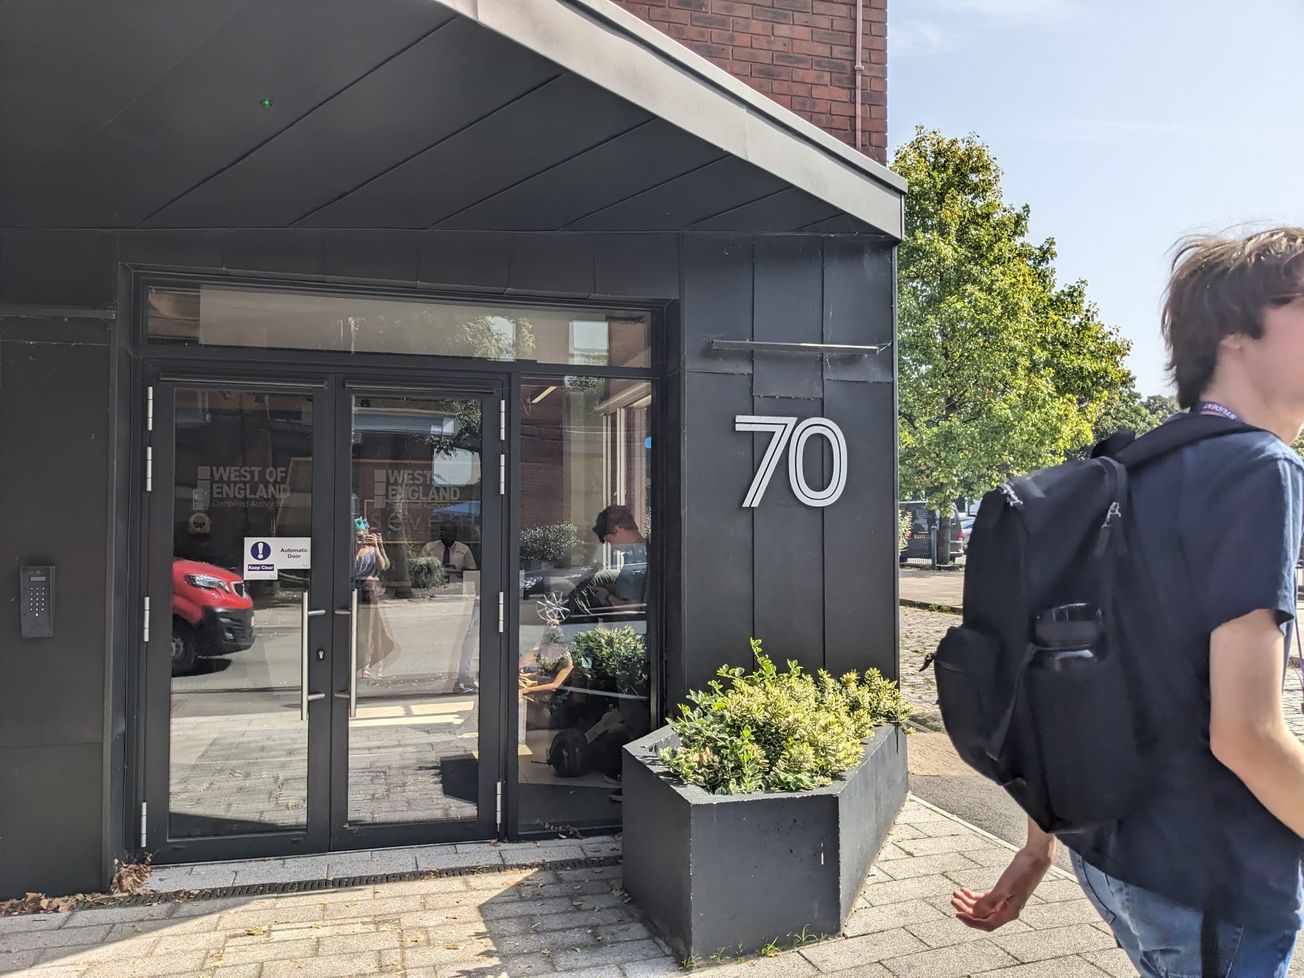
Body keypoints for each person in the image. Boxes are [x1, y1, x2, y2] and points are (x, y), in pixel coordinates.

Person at [953, 227, 1304, 977]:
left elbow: (1065, 668)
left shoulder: (1129, 468)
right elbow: (1246, 737)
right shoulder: (1260, 469)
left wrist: (1036, 848)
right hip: (1213, 884)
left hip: (1115, 862)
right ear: (1236, 332)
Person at [423, 523, 480, 692]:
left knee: (461, 636)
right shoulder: (430, 548)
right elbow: (420, 570)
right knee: (439, 636)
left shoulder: (464, 549)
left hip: (457, 593)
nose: (448, 535)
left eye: (451, 532)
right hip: (435, 594)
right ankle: (439, 674)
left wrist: (456, 572)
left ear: (456, 533)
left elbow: (472, 571)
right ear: (440, 533)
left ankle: (458, 677)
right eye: (445, 532)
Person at [353, 519, 395, 680]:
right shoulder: (354, 549)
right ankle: (357, 661)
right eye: (358, 536)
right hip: (355, 587)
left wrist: (377, 545)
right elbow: (351, 566)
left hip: (370, 590)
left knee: (369, 628)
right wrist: (357, 548)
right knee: (356, 627)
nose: (362, 539)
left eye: (364, 535)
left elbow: (384, 566)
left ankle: (366, 664)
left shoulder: (372, 549)